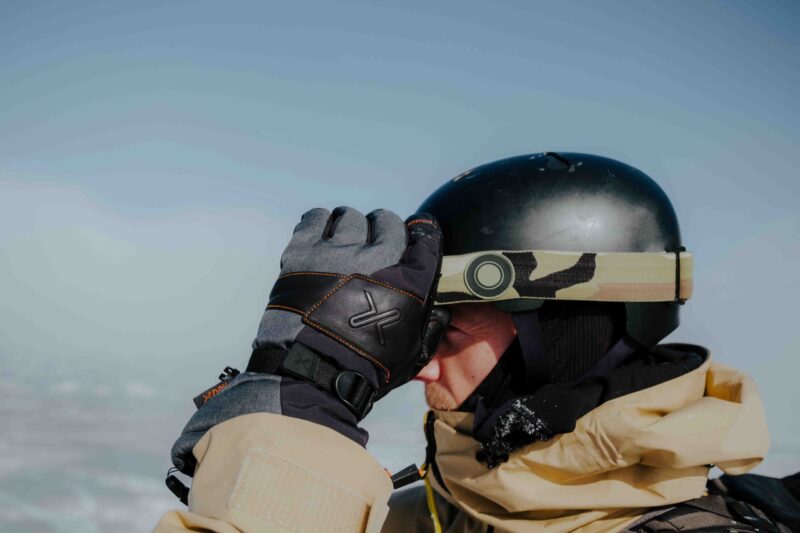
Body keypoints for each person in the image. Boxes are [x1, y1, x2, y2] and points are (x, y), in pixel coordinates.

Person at [155, 153, 797, 533]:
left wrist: (301, 412)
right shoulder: (433, 514)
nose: (419, 368)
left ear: (567, 334)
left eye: (451, 331)